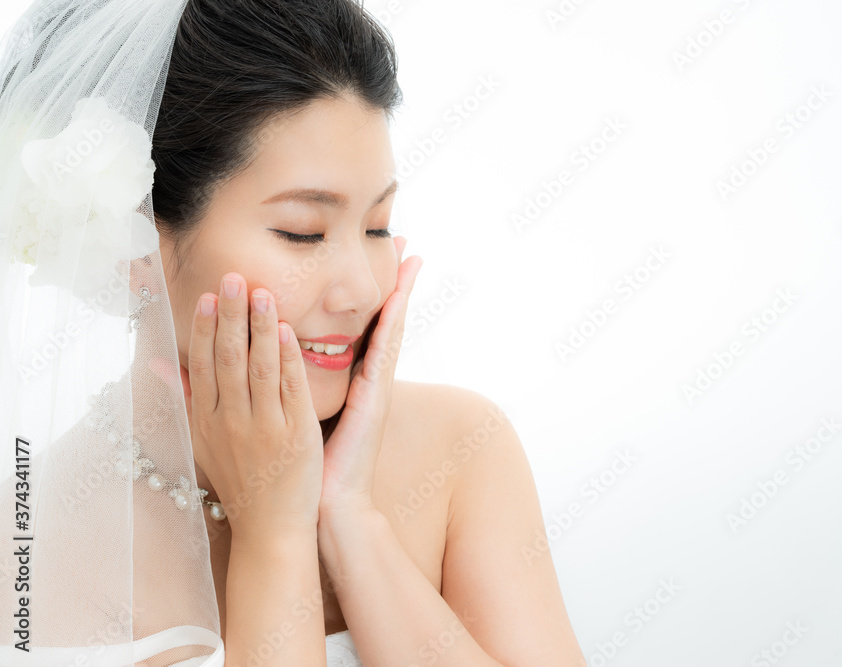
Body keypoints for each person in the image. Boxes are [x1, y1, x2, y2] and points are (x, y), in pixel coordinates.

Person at [0, 0, 586, 665]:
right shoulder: (31, 547)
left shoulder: (462, 449)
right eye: (303, 232)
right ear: (135, 243)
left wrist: (350, 516)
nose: (362, 290)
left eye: (377, 226)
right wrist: (273, 533)